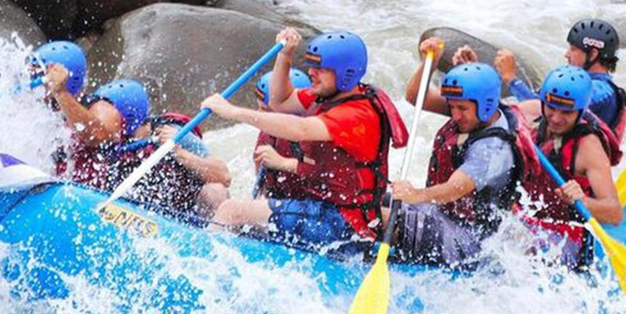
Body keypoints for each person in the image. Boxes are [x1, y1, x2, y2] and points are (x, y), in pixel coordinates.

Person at [200, 28, 408, 253]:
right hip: (330, 211)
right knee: (248, 212)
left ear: (345, 73)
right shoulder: (331, 95)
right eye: (312, 66)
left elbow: (300, 129)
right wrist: (285, 56)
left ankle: (204, 262)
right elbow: (281, 102)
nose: (312, 73)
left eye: (321, 69)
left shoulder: (358, 114)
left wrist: (233, 112)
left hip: (340, 222)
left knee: (232, 211)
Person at [390, 37, 540, 269]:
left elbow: (455, 189)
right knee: (372, 198)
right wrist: (431, 63)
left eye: (461, 108)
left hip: (473, 243)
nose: (455, 114)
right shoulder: (474, 112)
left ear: (486, 104)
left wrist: (415, 195)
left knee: (389, 216)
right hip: (446, 217)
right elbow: (415, 98)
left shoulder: (493, 148)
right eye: (452, 106)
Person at [516, 65, 624, 269]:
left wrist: (582, 200)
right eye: (551, 108)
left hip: (568, 235)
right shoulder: (530, 113)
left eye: (566, 112)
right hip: (526, 222)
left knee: (513, 238)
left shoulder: (588, 147)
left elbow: (615, 213)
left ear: (580, 110)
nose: (556, 118)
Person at [493, 19, 626, 139]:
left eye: (573, 49)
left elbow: (540, 110)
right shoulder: (590, 85)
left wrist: (511, 78)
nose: (567, 54)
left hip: (579, 159)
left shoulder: (601, 91)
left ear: (593, 54)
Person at [113, 112, 231, 220]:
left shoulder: (173, 133)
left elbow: (224, 176)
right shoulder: (107, 145)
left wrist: (178, 152)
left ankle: (218, 236)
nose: (117, 137)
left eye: (126, 133)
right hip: (143, 210)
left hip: (188, 212)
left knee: (216, 191)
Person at [45, 72, 149, 191]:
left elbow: (96, 135)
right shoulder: (72, 122)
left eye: (103, 110)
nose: (95, 114)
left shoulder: (124, 153)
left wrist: (61, 92)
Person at [252, 68, 311, 199]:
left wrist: (282, 162)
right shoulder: (267, 133)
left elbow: (325, 176)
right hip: (280, 202)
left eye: (265, 110)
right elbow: (262, 185)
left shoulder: (315, 137)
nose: (258, 114)